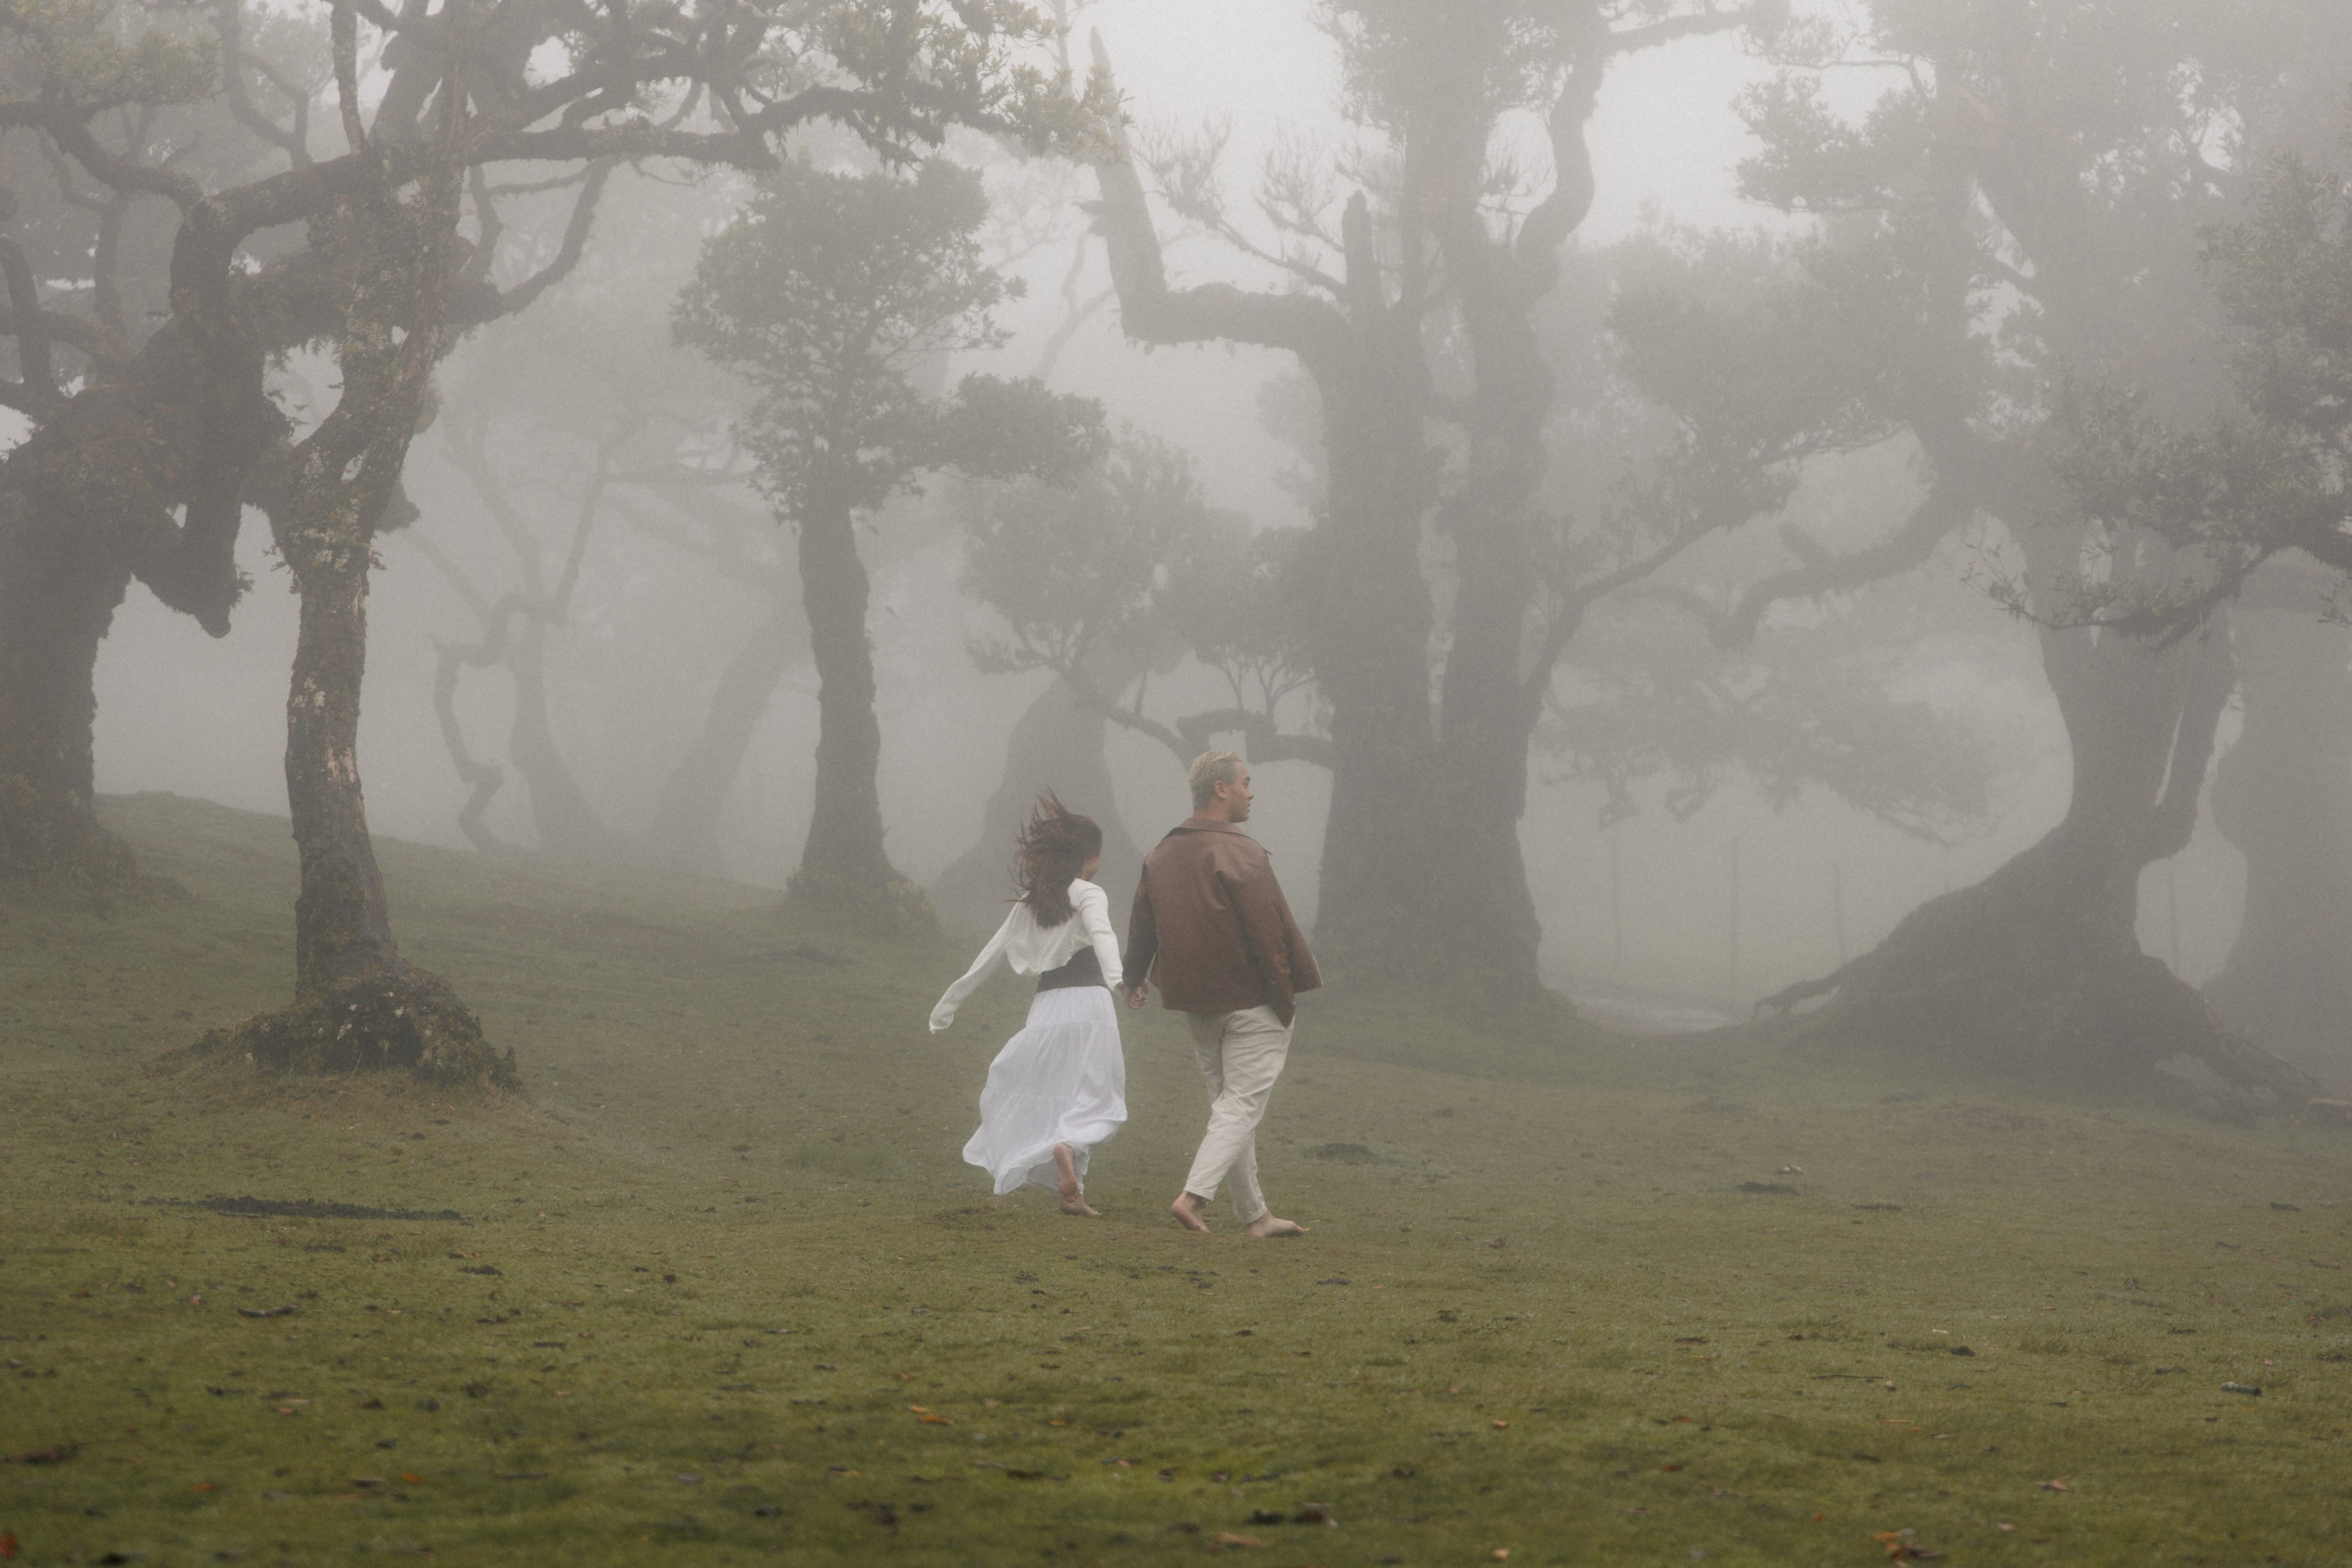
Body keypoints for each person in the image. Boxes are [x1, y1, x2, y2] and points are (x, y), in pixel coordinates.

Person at [1123, 750, 1319, 1237]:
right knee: (1240, 1108)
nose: (1252, 792)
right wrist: (1285, 999)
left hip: (1197, 1005)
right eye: (1246, 782)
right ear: (1220, 789)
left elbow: (1142, 924)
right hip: (1253, 1002)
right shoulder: (1244, 854)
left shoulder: (1159, 855)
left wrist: (1134, 977)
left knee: (1228, 1109)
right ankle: (1193, 1198)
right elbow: (1269, 934)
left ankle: (1256, 1217)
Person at [930, 794, 1127, 1216]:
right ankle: (1068, 1149)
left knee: (1054, 1091)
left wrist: (949, 1003)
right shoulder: (1089, 893)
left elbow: (989, 955)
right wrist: (1118, 979)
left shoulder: (1031, 900)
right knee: (1097, 1094)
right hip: (1090, 1004)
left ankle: (1071, 1194)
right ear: (1089, 855)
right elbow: (1104, 935)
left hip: (1046, 1009)